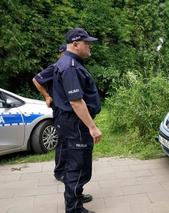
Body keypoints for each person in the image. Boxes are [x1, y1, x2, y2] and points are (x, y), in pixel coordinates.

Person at [52, 28, 102, 213]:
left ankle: (77, 195)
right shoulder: (70, 67)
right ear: (75, 44)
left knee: (75, 163)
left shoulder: (66, 62)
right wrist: (93, 127)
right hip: (76, 126)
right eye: (87, 43)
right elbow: (75, 101)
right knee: (78, 166)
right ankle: (74, 209)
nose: (90, 46)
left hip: (69, 123)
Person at [33, 44, 67, 182]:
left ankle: (67, 169)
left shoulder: (67, 68)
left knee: (67, 140)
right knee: (63, 140)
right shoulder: (54, 67)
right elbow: (36, 80)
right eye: (64, 53)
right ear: (61, 54)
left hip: (66, 110)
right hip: (59, 110)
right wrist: (47, 96)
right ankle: (59, 172)